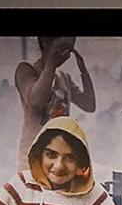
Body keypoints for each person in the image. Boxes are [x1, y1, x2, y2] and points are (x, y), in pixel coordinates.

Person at [14, 35, 96, 165]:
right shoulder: (26, 70)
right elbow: (36, 101)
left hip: (59, 157)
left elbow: (89, 105)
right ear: (45, 43)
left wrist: (83, 71)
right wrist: (50, 65)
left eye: (69, 51)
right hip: (33, 156)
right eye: (62, 48)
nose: (65, 55)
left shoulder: (63, 78)